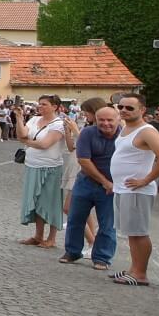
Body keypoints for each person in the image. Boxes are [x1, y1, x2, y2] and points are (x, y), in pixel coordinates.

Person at [109, 93, 159, 286]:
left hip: (136, 190)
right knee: (131, 232)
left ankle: (140, 273)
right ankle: (134, 268)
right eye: (121, 107)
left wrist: (145, 180)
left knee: (139, 232)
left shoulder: (147, 131)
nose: (124, 110)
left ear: (142, 110)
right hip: (123, 188)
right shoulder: (126, 128)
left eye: (130, 108)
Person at [62, 105, 119, 268]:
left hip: (112, 186)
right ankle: (72, 252)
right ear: (96, 119)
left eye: (110, 120)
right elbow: (84, 160)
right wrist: (104, 181)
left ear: (118, 120)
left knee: (107, 224)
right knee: (75, 218)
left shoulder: (124, 136)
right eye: (101, 120)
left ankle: (102, 257)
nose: (106, 123)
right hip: (86, 181)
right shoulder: (88, 133)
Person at [15, 94, 69, 249]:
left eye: (44, 104)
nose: (40, 106)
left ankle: (52, 238)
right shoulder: (34, 120)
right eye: (39, 104)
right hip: (32, 165)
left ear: (55, 107)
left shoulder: (58, 124)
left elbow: (45, 144)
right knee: (36, 200)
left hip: (50, 167)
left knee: (50, 201)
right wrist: (19, 118)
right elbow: (22, 134)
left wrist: (26, 142)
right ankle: (38, 235)